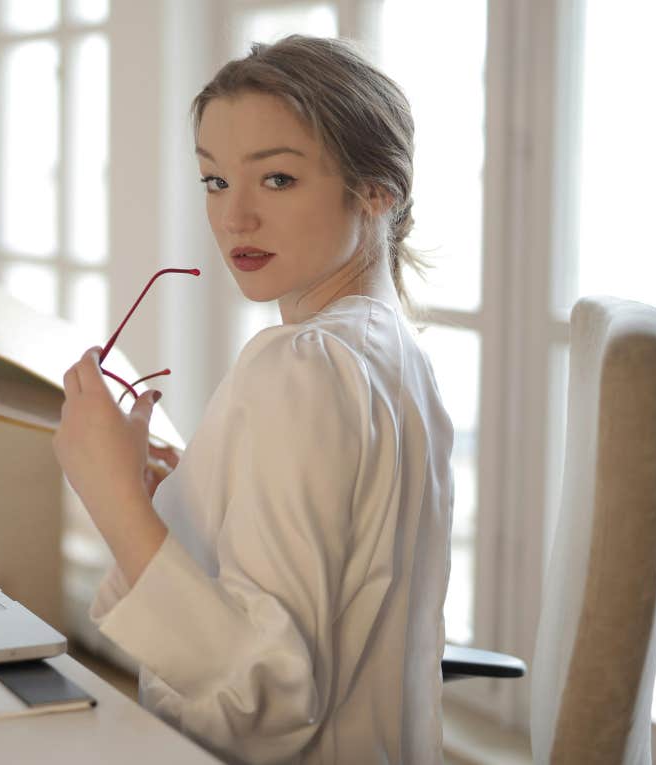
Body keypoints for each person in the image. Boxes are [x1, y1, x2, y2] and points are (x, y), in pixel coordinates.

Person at [52, 35, 454, 765]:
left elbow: (259, 699)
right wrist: (190, 502)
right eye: (214, 181)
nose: (234, 218)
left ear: (377, 191)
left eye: (275, 180)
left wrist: (110, 494)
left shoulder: (301, 365)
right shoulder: (400, 357)